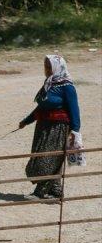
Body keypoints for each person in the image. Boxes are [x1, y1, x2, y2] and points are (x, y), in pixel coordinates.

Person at [18, 55, 81, 199]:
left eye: (49, 67)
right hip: (43, 127)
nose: (46, 69)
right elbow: (41, 107)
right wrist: (26, 121)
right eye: (45, 66)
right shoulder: (49, 84)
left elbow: (74, 109)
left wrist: (75, 131)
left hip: (58, 128)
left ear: (57, 67)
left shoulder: (67, 87)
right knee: (48, 157)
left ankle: (41, 192)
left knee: (47, 159)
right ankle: (55, 189)